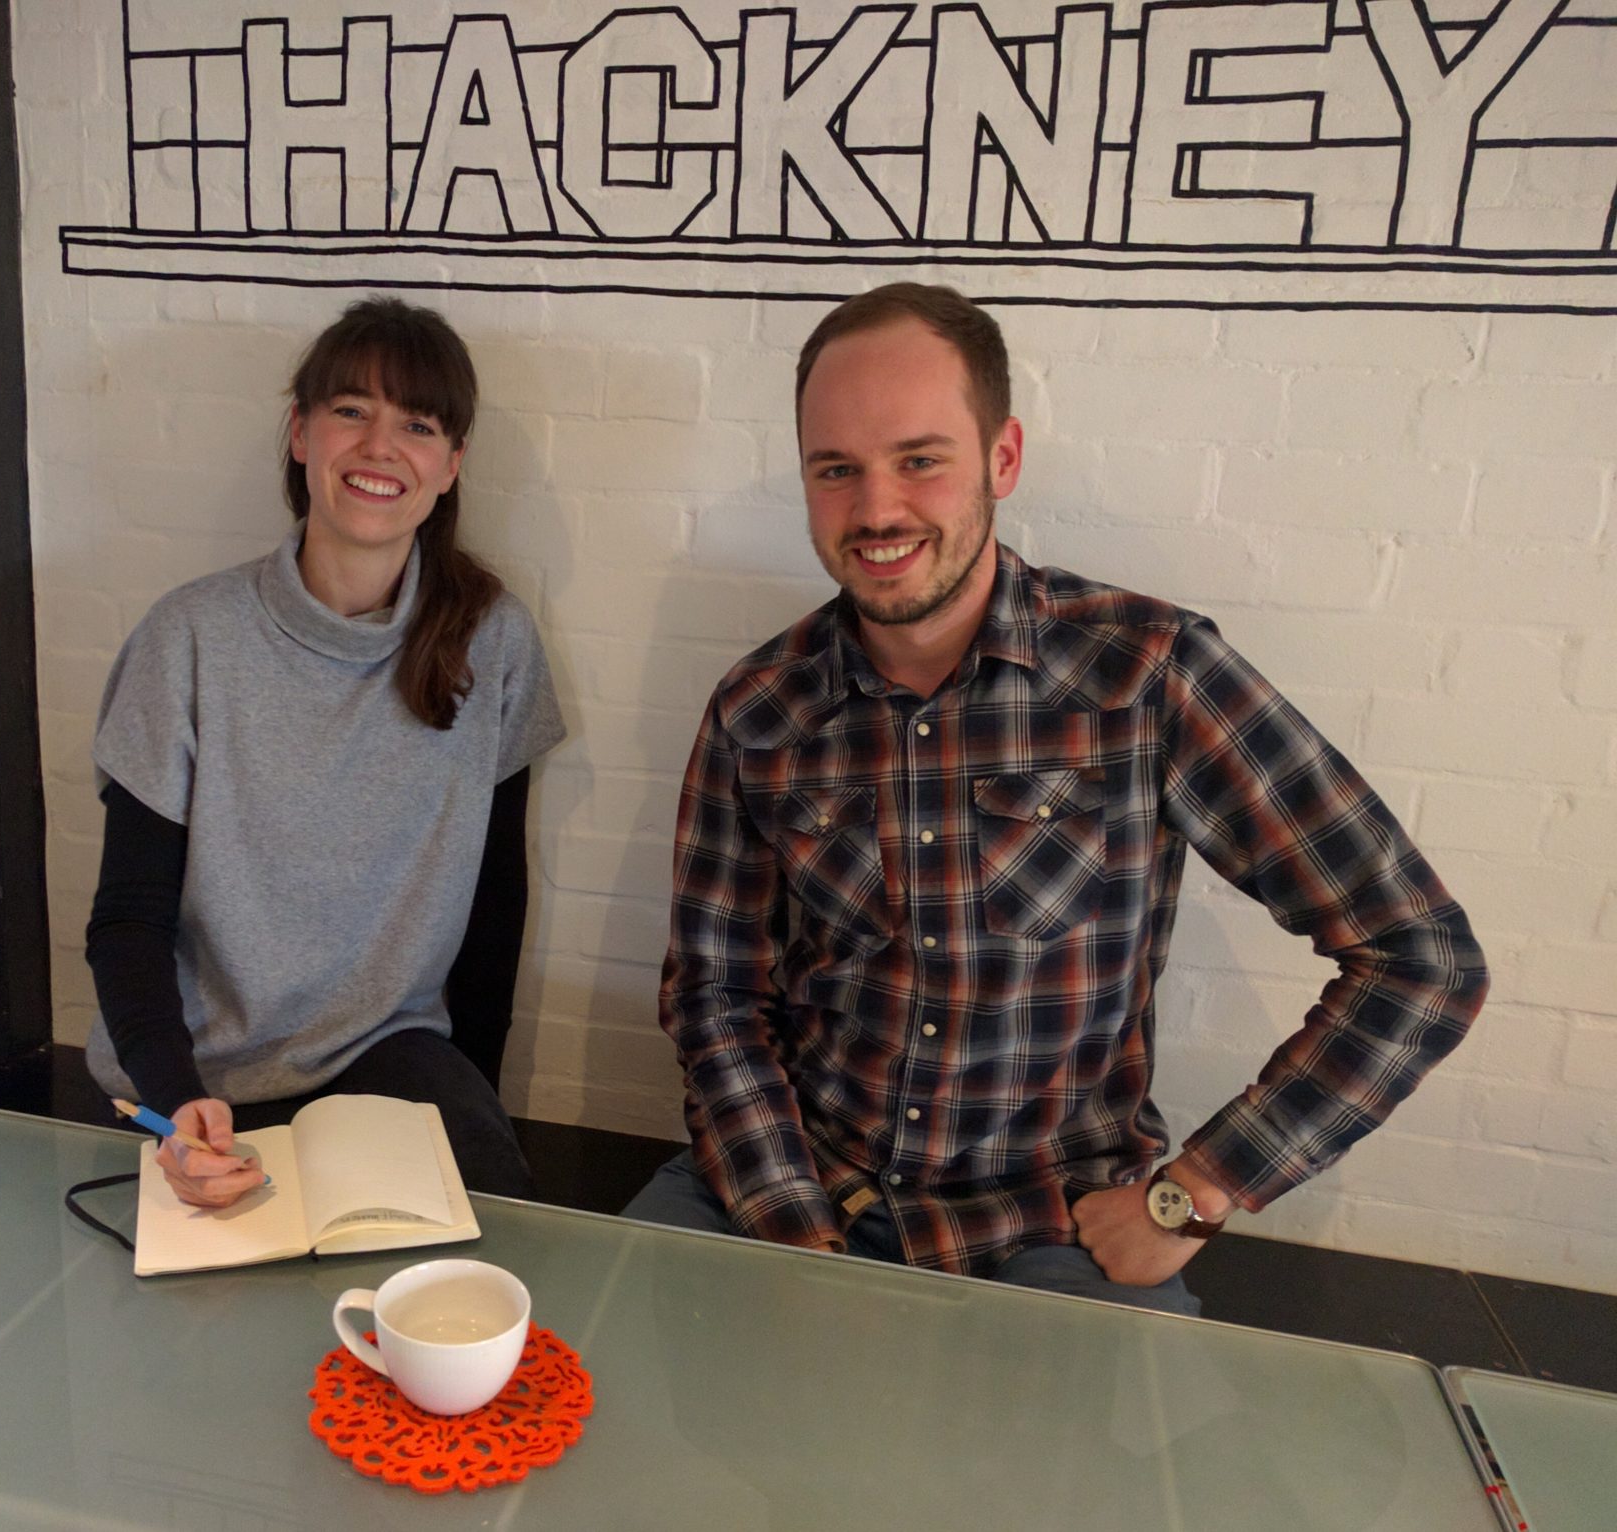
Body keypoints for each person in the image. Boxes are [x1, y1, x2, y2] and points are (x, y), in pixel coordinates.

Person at [623, 283, 1487, 1314]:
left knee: (1112, 1427)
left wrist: (1194, 1192)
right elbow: (715, 992)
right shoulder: (759, 708)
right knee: (580, 1374)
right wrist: (792, 1228)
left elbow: (1420, 958)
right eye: (835, 469)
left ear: (1002, 459)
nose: (877, 509)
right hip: (792, 1185)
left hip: (1052, 1227)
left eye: (920, 459)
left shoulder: (1148, 672)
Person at [84, 297, 563, 1207]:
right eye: (351, 411)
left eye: (417, 425)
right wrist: (176, 1104)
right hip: (192, 1073)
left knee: (486, 1230)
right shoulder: (188, 637)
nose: (381, 448)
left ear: (452, 465)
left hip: (388, 1055)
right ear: (301, 434)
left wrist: (479, 1105)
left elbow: (495, 903)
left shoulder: (493, 640)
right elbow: (128, 919)